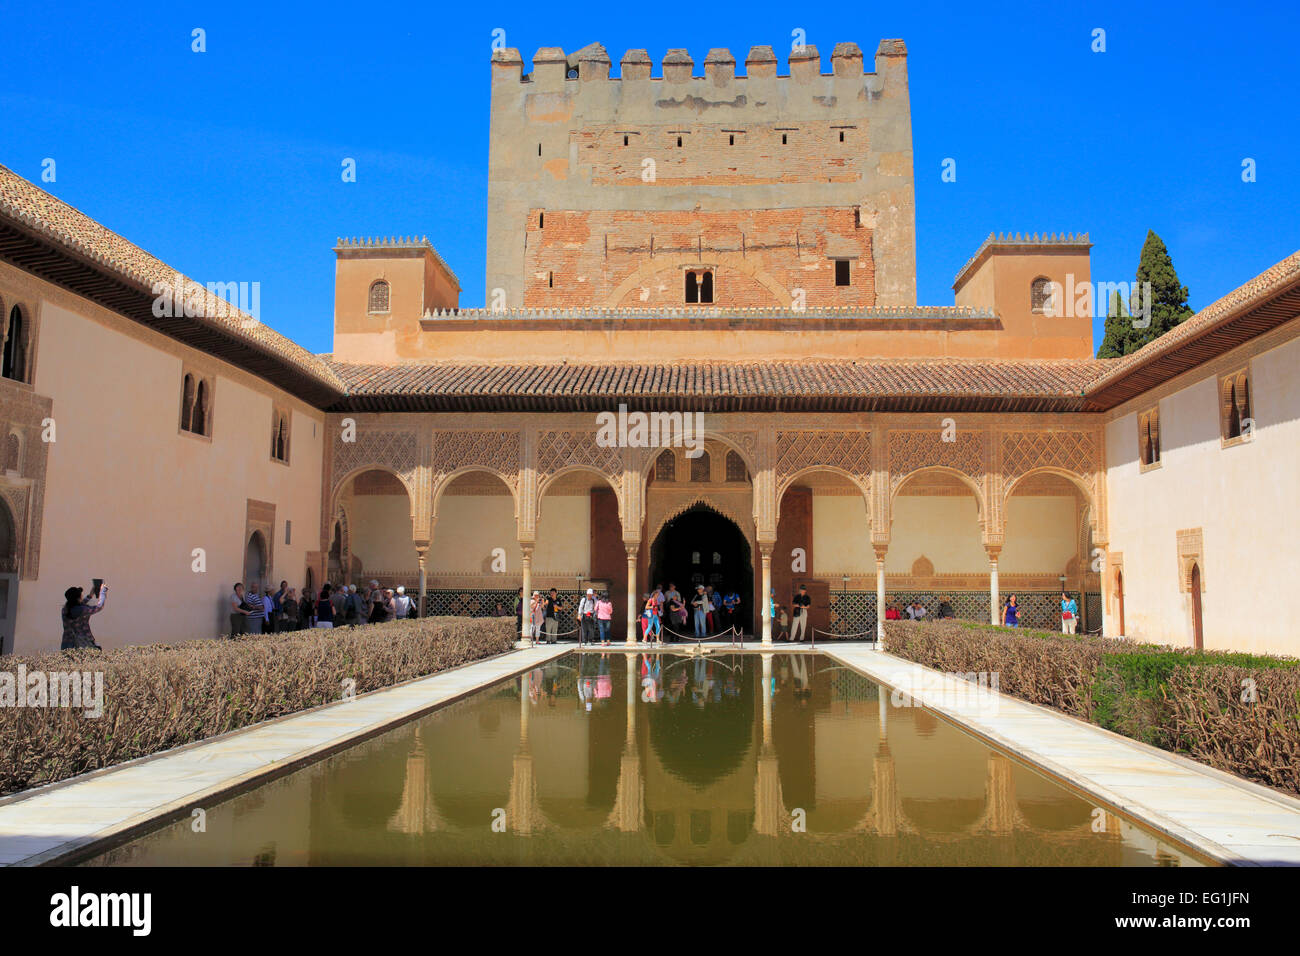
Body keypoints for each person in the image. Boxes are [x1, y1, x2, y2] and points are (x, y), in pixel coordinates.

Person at [61, 583, 107, 650]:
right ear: (78, 598)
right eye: (81, 595)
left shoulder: (65, 609)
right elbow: (99, 607)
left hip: (66, 644)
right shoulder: (80, 610)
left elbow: (80, 604)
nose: (82, 596)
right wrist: (103, 591)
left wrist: (90, 595)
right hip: (80, 645)